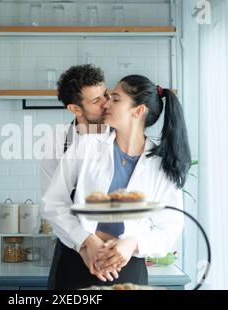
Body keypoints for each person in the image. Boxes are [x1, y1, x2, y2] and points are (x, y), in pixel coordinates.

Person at [42, 75, 191, 290]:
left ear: (138, 111)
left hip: (128, 270)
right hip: (76, 263)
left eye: (115, 99)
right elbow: (54, 202)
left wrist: (132, 243)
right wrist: (86, 242)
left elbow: (170, 228)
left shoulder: (161, 166)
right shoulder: (86, 146)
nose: (106, 104)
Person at [40, 64, 110, 197]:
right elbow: (53, 200)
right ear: (75, 109)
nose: (107, 103)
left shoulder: (122, 134)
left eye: (106, 94)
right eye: (96, 101)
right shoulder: (56, 141)